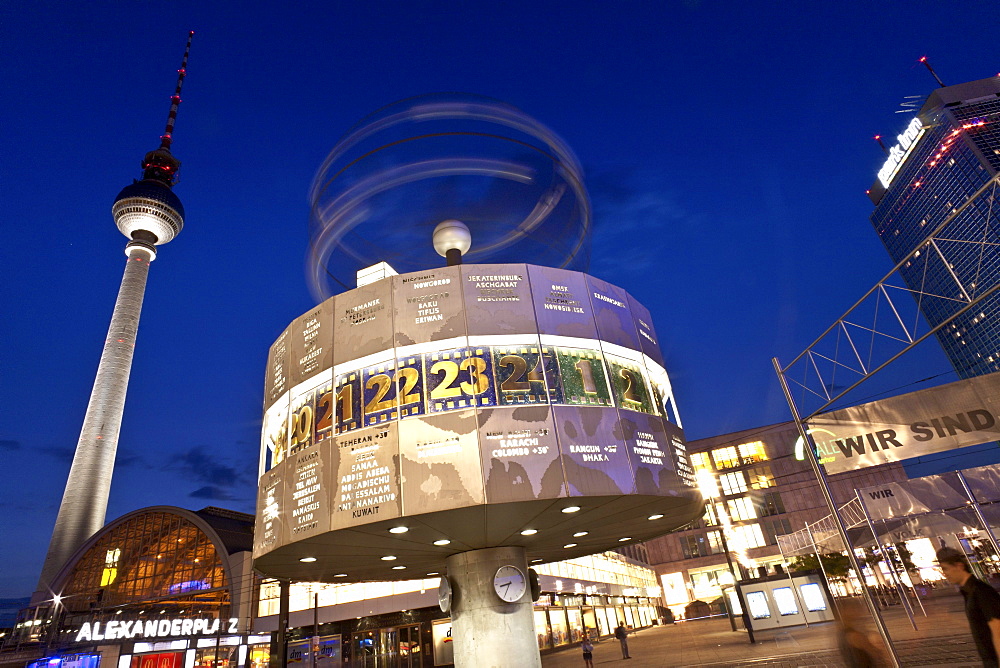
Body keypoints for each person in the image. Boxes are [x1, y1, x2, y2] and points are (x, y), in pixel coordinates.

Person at [937, 547, 1000, 667]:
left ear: (959, 566)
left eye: (946, 569)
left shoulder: (981, 591)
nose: (944, 573)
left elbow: (998, 630)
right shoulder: (969, 592)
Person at [835, 597, 887, 667]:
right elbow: (874, 654)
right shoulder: (853, 634)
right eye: (855, 608)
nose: (859, 612)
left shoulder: (841, 631)